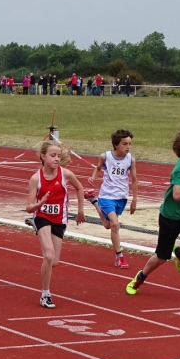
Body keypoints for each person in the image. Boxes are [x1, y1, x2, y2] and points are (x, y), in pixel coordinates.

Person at [126, 129, 180, 296]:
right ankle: (140, 277)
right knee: (161, 257)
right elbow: (177, 195)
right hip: (170, 217)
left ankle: (179, 252)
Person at [25, 140, 85, 309]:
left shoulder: (66, 174)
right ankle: (45, 294)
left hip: (59, 219)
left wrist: (80, 211)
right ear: (43, 157)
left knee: (55, 261)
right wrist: (38, 204)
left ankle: (46, 280)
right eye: (53, 155)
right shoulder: (36, 178)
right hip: (42, 216)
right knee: (49, 255)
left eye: (59, 156)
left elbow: (80, 188)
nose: (57, 159)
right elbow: (28, 207)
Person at [85, 129, 139, 269]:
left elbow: (134, 179)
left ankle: (94, 202)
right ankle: (119, 257)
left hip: (121, 197)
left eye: (129, 144)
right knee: (115, 224)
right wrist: (93, 177)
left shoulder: (130, 159)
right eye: (124, 144)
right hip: (107, 195)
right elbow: (98, 168)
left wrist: (134, 199)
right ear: (116, 145)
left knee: (108, 225)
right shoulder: (106, 157)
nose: (128, 147)